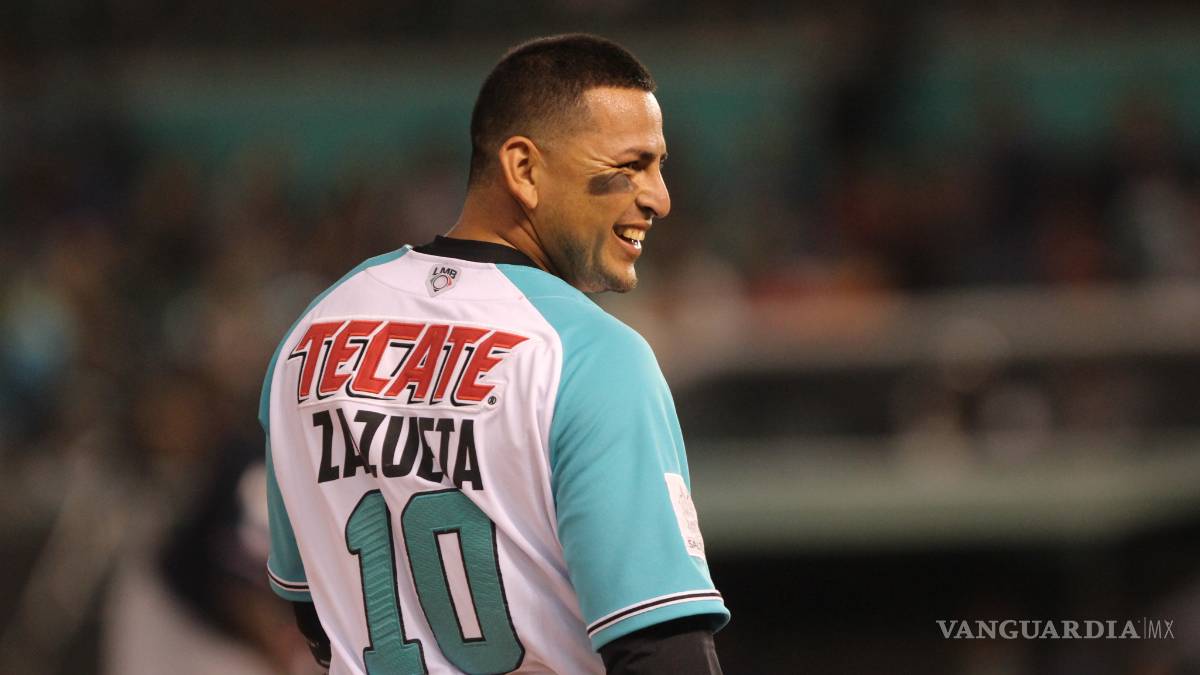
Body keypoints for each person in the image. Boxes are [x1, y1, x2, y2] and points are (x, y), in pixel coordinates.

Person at [261, 33, 728, 674]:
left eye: (660, 166)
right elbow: (662, 650)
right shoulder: (591, 356)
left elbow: (317, 613)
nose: (660, 197)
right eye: (632, 165)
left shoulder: (312, 332)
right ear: (524, 169)